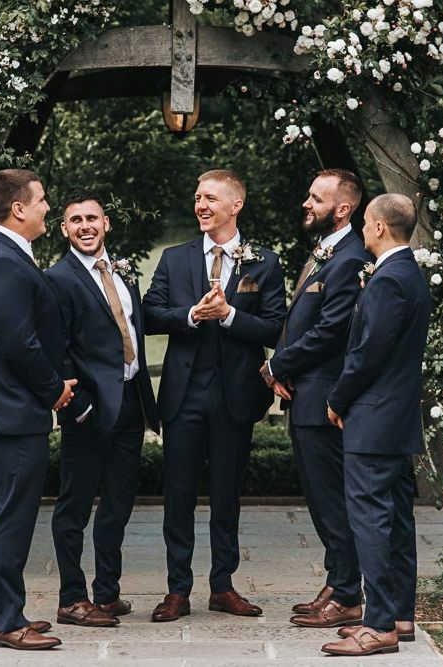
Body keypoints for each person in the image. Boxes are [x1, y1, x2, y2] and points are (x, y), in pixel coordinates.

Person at [143, 169, 286, 621]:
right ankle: (177, 590)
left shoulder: (263, 262)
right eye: (197, 196)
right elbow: (148, 314)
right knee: (178, 496)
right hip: (184, 396)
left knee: (227, 497)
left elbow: (277, 326)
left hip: (235, 398)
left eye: (210, 198)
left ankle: (223, 586)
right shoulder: (174, 258)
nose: (200, 205)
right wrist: (189, 314)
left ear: (235, 205)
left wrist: (228, 317)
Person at [0, 169, 77, 650]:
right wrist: (54, 389)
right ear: (19, 209)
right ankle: (8, 622)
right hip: (10, 402)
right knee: (10, 512)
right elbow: (19, 344)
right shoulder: (4, 262)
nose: (48, 207)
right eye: (43, 200)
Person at [322, 194, 431, 657]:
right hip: (398, 416)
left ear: (381, 228)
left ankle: (380, 624)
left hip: (374, 417)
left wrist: (338, 397)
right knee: (397, 521)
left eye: (366, 223)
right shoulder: (410, 274)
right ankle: (400, 615)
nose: (363, 230)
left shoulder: (388, 280)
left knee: (370, 520)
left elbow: (368, 352)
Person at [46, 191, 160, 628]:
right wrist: (79, 407)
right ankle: (71, 598)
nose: (85, 226)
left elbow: (133, 328)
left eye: (92, 217)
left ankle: (107, 594)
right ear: (64, 229)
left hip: (130, 402)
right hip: (87, 409)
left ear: (106, 223)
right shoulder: (57, 278)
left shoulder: (124, 268)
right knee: (74, 507)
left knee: (118, 504)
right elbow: (58, 350)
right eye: (75, 220)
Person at [259, 169, 368, 628]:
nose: (306, 203)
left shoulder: (348, 258)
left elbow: (330, 332)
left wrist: (278, 366)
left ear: (342, 209)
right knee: (321, 499)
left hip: (324, 399)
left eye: (316, 197)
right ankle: (336, 581)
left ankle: (348, 595)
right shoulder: (327, 252)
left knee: (331, 500)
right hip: (306, 394)